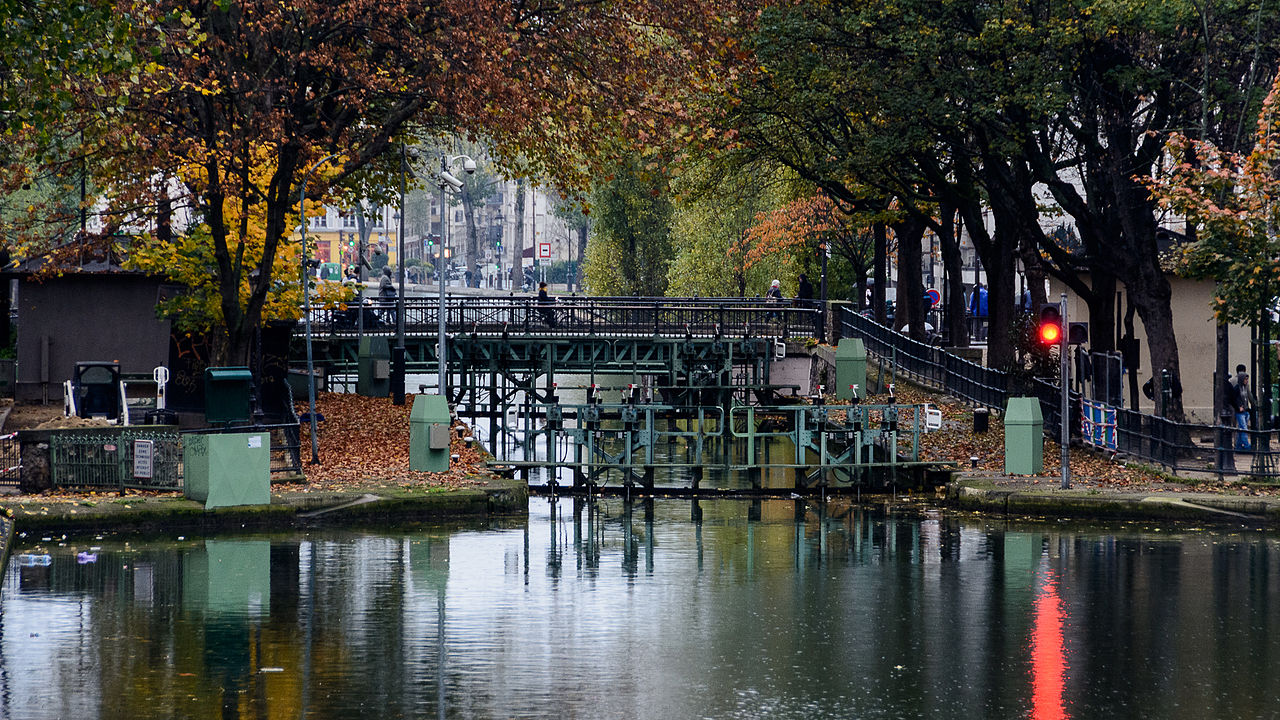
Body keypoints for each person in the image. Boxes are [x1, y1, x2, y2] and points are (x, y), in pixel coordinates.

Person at [1229, 364, 1255, 450]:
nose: (1247, 380)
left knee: (1239, 427)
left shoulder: (1232, 381)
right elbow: (1247, 395)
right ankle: (1246, 446)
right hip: (1238, 409)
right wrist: (1253, 404)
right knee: (1243, 428)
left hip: (1242, 409)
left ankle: (1238, 445)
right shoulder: (1239, 386)